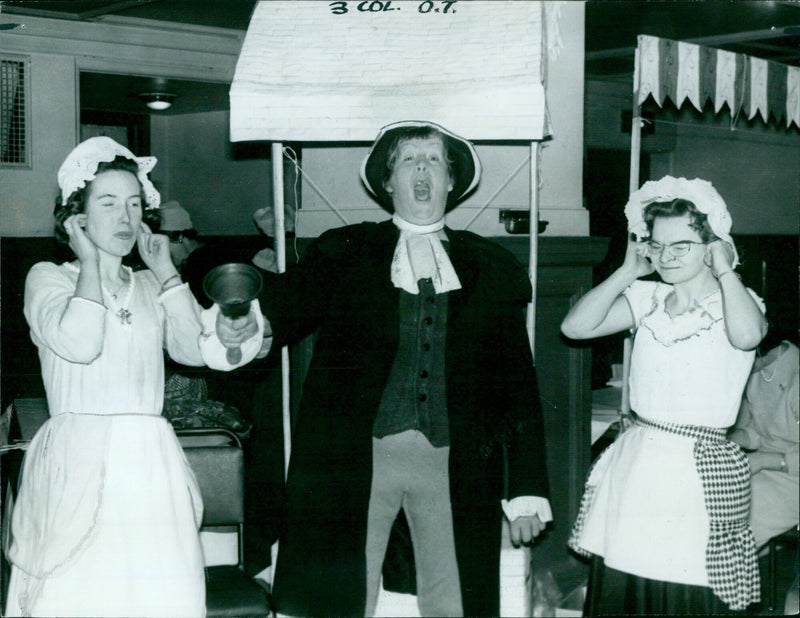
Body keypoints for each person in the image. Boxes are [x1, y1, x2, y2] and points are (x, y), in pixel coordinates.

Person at [259, 120, 551, 617]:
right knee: (343, 594)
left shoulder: (491, 267)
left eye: (434, 160)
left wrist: (527, 488)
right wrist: (241, 315)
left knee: (452, 595)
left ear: (451, 180)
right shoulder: (345, 253)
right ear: (388, 181)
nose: (422, 170)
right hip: (356, 458)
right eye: (408, 160)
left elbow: (517, 384)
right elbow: (281, 309)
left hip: (453, 463)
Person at [4, 136, 262, 617]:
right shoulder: (49, 277)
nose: (126, 218)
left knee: (155, 597)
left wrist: (166, 273)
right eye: (108, 203)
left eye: (134, 204)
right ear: (76, 215)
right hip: (78, 462)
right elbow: (81, 342)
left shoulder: (147, 284)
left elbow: (198, 351)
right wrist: (86, 263)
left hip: (149, 466)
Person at [561, 176, 768, 615]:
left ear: (712, 244)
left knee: (683, 584)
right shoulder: (647, 297)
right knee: (625, 578)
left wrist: (726, 269)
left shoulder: (737, 301)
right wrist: (625, 271)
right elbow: (574, 328)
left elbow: (748, 337)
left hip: (695, 473)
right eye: (658, 245)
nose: (667, 257)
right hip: (637, 465)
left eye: (682, 246)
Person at [729, 338, 799, 614]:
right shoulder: (756, 371)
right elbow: (758, 431)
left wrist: (765, 461)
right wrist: (732, 439)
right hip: (766, 466)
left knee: (737, 514)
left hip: (793, 475)